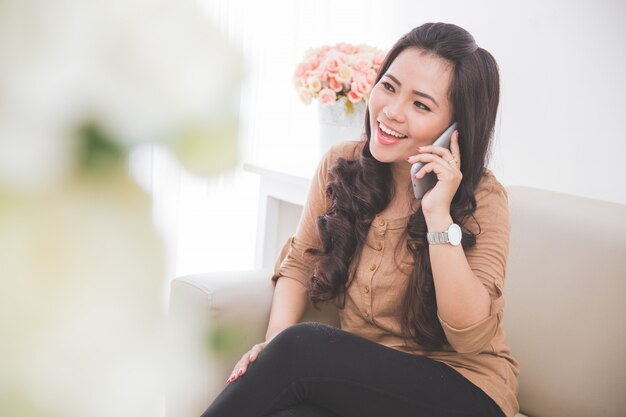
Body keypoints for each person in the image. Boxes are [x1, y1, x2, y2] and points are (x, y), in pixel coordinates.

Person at [200, 22, 519, 417]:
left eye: (421, 105)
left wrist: (438, 215)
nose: (391, 111)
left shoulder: (483, 198)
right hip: (366, 389)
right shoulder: (341, 164)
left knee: (303, 346)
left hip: (465, 392)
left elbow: (470, 335)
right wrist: (274, 349)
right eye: (388, 86)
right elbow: (300, 264)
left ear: (456, 129)